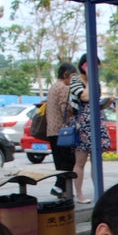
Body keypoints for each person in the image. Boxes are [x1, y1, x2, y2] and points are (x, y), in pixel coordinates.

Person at [58, 53, 113, 204]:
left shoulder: (96, 82)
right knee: (80, 161)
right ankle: (79, 194)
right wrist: (89, 80)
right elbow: (84, 97)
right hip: (83, 124)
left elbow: (96, 102)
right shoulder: (76, 80)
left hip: (96, 121)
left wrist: (107, 103)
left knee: (97, 161)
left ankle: (99, 191)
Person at [46, 62, 78, 194]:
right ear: (66, 74)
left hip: (52, 130)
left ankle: (61, 189)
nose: (74, 79)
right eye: (73, 76)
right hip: (62, 131)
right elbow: (65, 108)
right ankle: (59, 187)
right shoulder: (64, 88)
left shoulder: (53, 87)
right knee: (69, 161)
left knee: (59, 162)